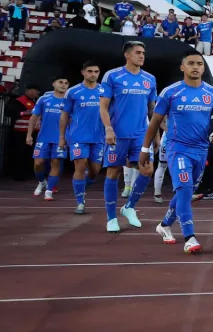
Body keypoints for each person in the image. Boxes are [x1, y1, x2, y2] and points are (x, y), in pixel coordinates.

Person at [139, 51, 213, 254]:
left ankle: (164, 225)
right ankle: (190, 237)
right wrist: (145, 149)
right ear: (183, 67)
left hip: (201, 150)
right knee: (184, 189)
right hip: (177, 148)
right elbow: (155, 121)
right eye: (191, 63)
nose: (195, 67)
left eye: (199, 63)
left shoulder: (212, 93)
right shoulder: (170, 92)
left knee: (186, 192)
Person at [100, 41, 158, 233]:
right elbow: (103, 106)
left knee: (147, 170)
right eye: (138, 52)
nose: (142, 56)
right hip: (118, 134)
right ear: (127, 54)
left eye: (143, 53)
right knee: (113, 172)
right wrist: (108, 128)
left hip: (141, 134)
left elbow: (152, 111)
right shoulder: (112, 76)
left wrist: (156, 133)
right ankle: (111, 218)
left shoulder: (150, 79)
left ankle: (129, 207)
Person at [59, 62, 105, 215]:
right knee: (80, 166)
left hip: (99, 137)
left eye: (96, 71)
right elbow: (65, 114)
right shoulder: (73, 92)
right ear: (83, 72)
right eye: (90, 71)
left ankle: (84, 186)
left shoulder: (105, 91)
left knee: (94, 171)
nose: (93, 74)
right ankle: (80, 202)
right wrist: (61, 136)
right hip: (78, 136)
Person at [27, 78, 69, 200]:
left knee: (55, 163)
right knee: (38, 163)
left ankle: (49, 190)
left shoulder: (69, 101)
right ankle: (42, 182)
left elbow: (72, 120)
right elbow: (34, 118)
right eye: (61, 82)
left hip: (60, 138)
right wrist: (29, 134)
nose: (63, 85)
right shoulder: (44, 99)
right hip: (43, 137)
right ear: (53, 84)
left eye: (66, 83)